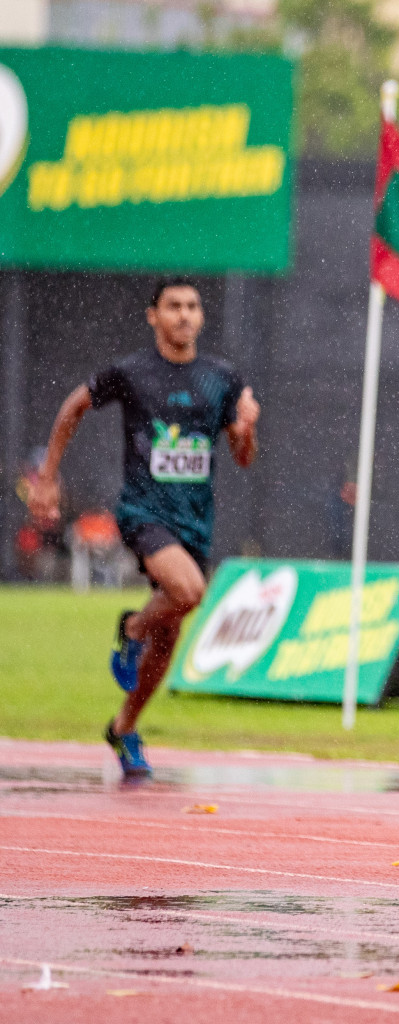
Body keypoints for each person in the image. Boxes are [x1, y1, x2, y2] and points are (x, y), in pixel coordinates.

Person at [28, 278, 259, 779]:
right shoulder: (131, 373)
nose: (184, 315)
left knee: (170, 635)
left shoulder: (223, 378)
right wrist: (48, 478)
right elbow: (74, 407)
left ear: (201, 317)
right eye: (173, 306)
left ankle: (124, 726)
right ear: (152, 315)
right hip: (144, 512)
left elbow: (242, 457)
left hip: (194, 520)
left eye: (192, 307)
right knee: (190, 591)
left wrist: (246, 431)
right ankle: (132, 626)